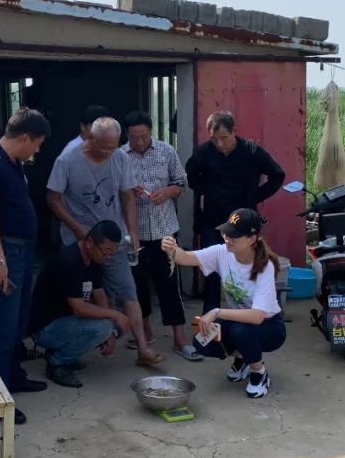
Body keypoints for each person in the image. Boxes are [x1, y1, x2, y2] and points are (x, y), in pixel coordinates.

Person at [46, 117, 166, 366]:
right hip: (81, 243)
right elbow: (53, 199)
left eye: (113, 147)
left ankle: (143, 349)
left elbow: (127, 196)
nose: (108, 153)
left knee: (128, 292)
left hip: (113, 241)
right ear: (90, 138)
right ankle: (72, 351)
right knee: (81, 297)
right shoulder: (67, 160)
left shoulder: (120, 158)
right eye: (103, 147)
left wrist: (132, 232)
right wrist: (77, 228)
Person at [0, 108, 51, 426]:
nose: (37, 151)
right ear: (25, 138)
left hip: (22, 251)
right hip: (6, 254)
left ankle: (13, 376)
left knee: (17, 322)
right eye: (37, 144)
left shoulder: (13, 162)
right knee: (1, 327)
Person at [162, 209, 286, 398]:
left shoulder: (264, 266)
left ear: (251, 239)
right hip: (238, 322)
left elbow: (257, 316)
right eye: (226, 233)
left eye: (234, 236)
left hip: (270, 326)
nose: (227, 238)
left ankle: (259, 372)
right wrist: (172, 248)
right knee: (202, 339)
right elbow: (186, 258)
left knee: (240, 332)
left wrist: (217, 312)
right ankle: (243, 357)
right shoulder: (222, 252)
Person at [185, 111, 285, 314]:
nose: (219, 144)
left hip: (243, 220)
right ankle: (210, 316)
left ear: (234, 132)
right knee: (211, 269)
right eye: (214, 139)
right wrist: (206, 191)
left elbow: (277, 175)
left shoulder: (251, 151)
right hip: (212, 219)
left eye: (224, 138)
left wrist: (256, 196)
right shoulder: (203, 152)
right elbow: (191, 175)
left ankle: (252, 313)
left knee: (247, 267)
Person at [121, 111, 198, 361]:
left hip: (165, 230)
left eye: (143, 136)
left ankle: (179, 338)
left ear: (151, 131)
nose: (139, 141)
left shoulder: (166, 151)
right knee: (137, 285)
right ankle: (145, 331)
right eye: (134, 137)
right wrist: (126, 190)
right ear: (127, 134)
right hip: (134, 234)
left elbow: (181, 183)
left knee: (169, 284)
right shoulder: (120, 156)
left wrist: (166, 193)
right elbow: (114, 190)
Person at [28, 221, 129, 387]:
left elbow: (99, 295)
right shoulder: (69, 261)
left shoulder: (94, 260)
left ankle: (64, 353)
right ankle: (57, 363)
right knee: (102, 327)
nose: (108, 257)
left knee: (111, 326)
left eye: (112, 253)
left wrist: (111, 330)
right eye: (106, 252)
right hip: (45, 328)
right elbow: (79, 308)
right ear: (89, 242)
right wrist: (114, 317)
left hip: (67, 322)